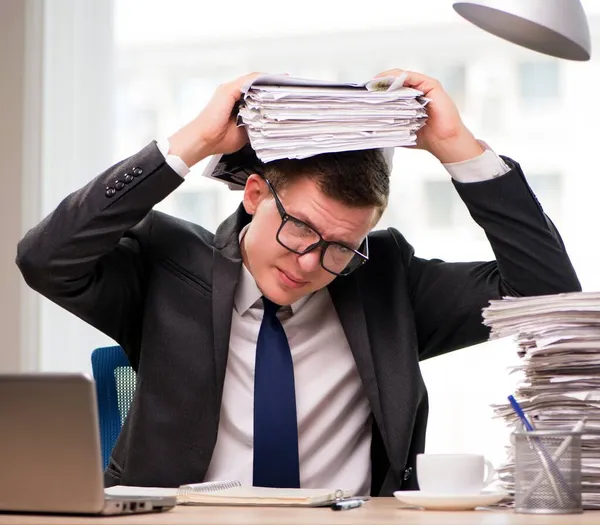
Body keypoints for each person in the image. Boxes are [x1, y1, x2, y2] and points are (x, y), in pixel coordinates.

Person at [16, 69, 580, 496]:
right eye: (299, 229)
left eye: (339, 247)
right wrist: (192, 143)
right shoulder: (170, 265)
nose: (310, 263)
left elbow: (548, 298)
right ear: (256, 195)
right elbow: (45, 258)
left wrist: (461, 151)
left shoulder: (384, 279)